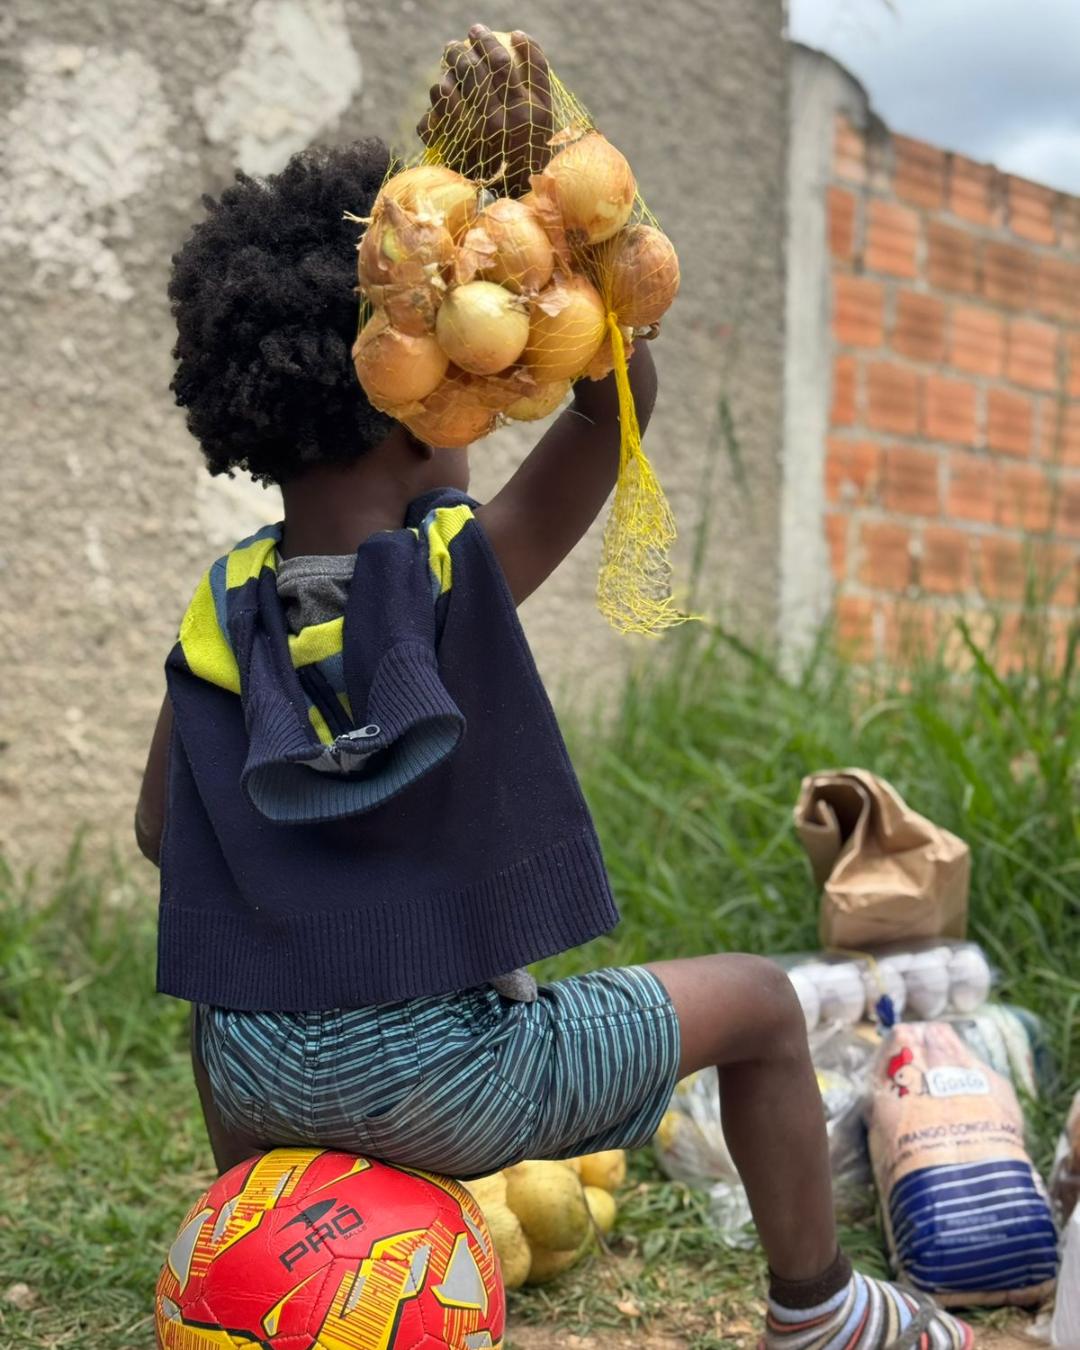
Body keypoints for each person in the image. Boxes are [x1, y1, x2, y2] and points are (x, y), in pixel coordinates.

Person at [136, 25, 973, 1350]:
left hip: (252, 1082)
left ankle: (251, 1232)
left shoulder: (215, 614)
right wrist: (570, 242)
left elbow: (158, 837)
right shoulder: (448, 575)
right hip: (451, 1089)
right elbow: (616, 399)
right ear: (431, 409)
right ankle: (821, 1313)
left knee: (229, 1000)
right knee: (759, 1001)